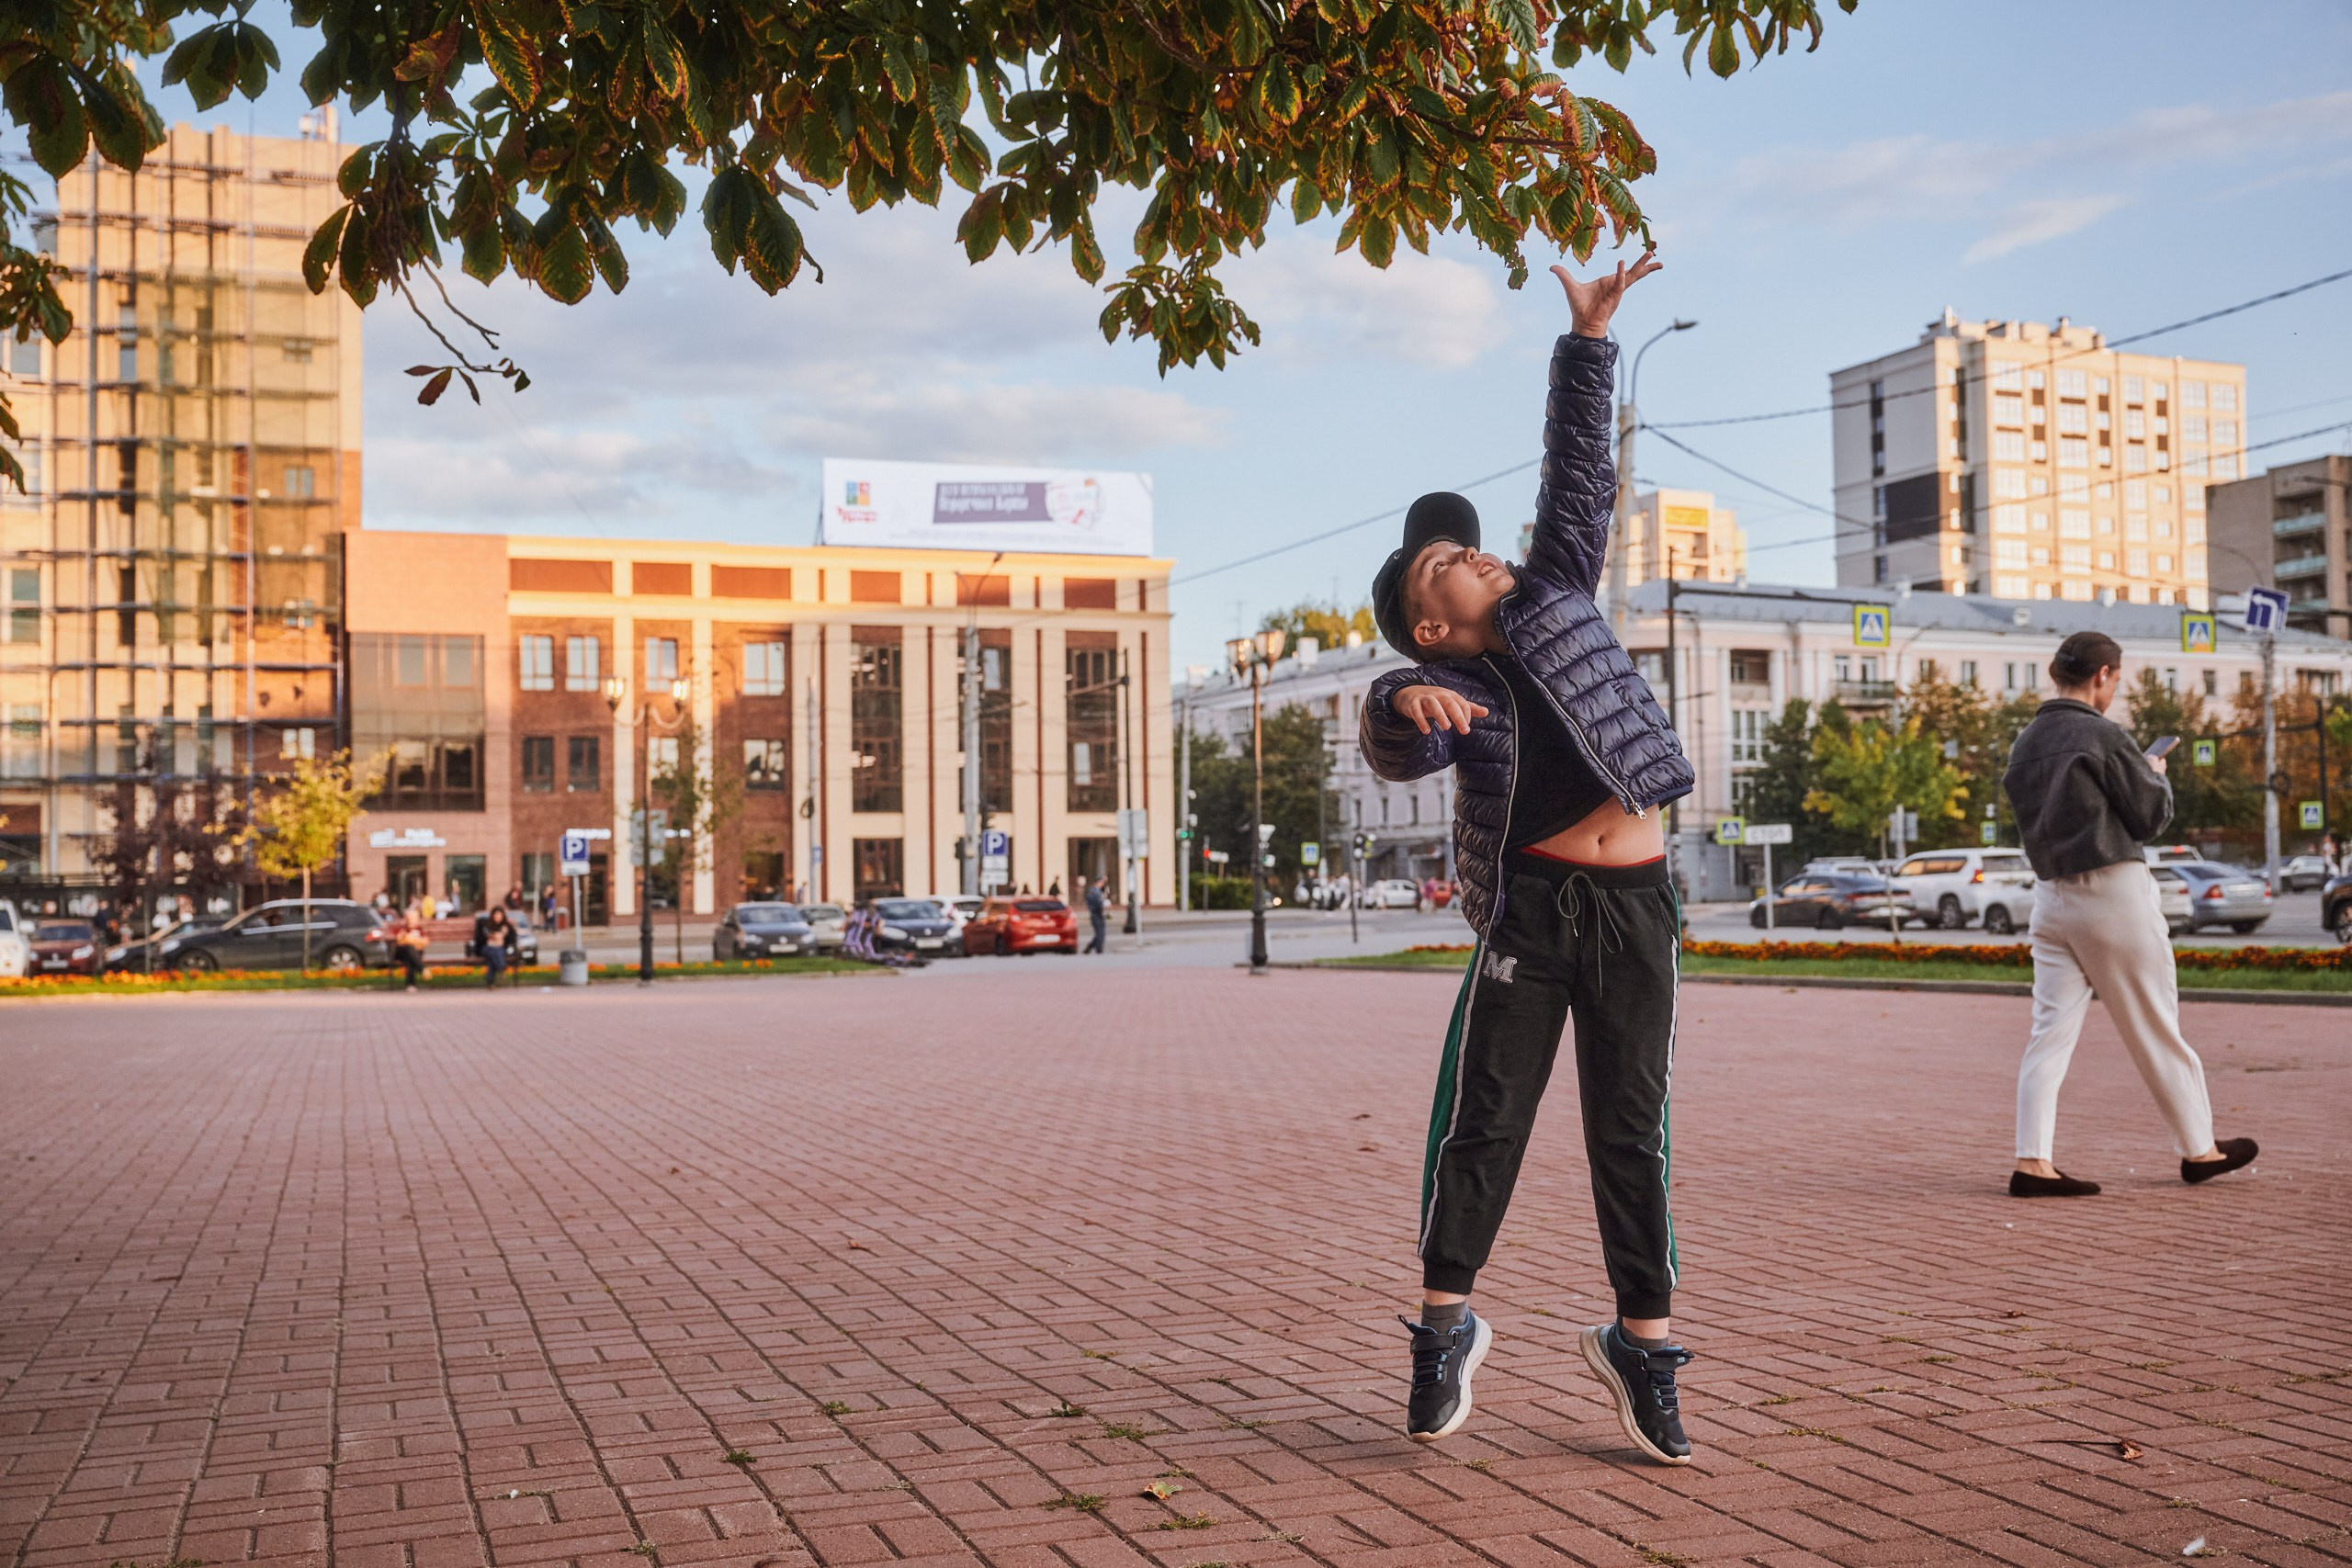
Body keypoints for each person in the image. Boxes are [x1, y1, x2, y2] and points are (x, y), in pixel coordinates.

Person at [1359, 250, 1698, 1464]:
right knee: (1486, 1117)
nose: (1474, 554)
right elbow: (1390, 723)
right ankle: (1444, 1325)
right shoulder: (1443, 676)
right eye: (1445, 565)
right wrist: (1404, 699)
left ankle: (1643, 1343)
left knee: (1631, 1123)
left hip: (1641, 901)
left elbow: (1573, 476)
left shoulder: (1557, 591)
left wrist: (1589, 342)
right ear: (1433, 616)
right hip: (1537, 910)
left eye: (1470, 547)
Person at [2001, 631, 2256, 1198]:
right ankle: (2199, 1149)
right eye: (2116, 679)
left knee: (2048, 1035)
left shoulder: (2025, 742)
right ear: (2103, 676)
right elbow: (2148, 818)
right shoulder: (2102, 734)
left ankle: (2032, 1161)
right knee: (2154, 1023)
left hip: (2051, 898)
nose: (2114, 689)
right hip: (2111, 892)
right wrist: (2156, 776)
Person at [478, 907, 518, 987]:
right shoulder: (487, 924)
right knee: (495, 952)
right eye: (495, 915)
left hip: (500, 949)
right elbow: (479, 923)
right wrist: (491, 936)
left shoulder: (506, 926)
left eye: (499, 915)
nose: (497, 917)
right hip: (487, 948)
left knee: (493, 957)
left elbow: (512, 938)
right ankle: (502, 968)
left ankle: (490, 981)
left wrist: (506, 933)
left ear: (503, 916)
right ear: (492, 916)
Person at [1080, 874, 1108, 953]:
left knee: (1098, 932)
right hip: (1097, 913)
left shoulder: (1091, 891)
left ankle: (1090, 947)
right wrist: (1102, 907)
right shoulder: (1096, 892)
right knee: (1101, 932)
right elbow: (1098, 903)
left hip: (1093, 913)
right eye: (1101, 882)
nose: (1102, 884)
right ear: (1098, 882)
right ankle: (1098, 948)